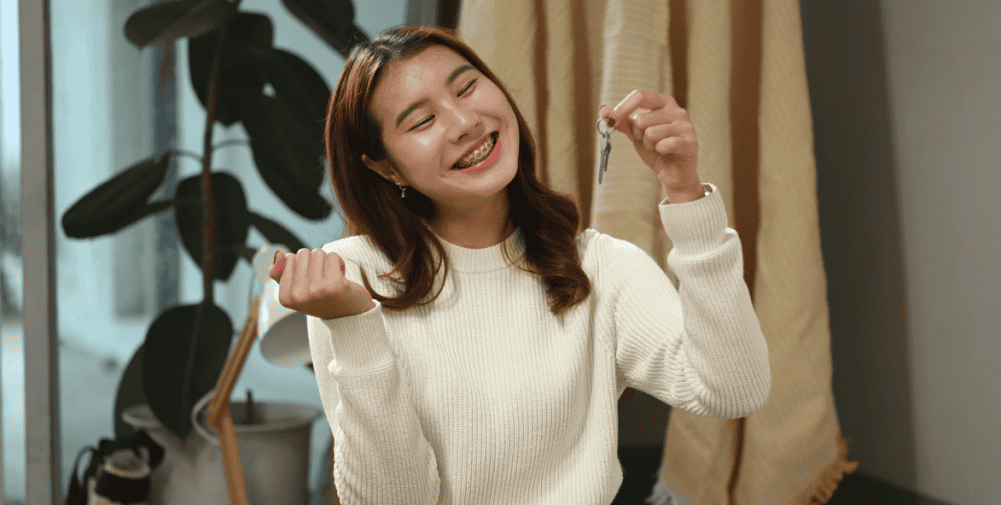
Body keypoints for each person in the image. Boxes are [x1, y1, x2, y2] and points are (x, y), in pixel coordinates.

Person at [269, 25, 771, 504]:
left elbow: (732, 389)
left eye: (467, 88)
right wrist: (354, 328)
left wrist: (686, 194)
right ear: (384, 166)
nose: (464, 122)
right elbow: (394, 500)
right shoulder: (351, 279)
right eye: (422, 121)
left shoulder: (598, 266)